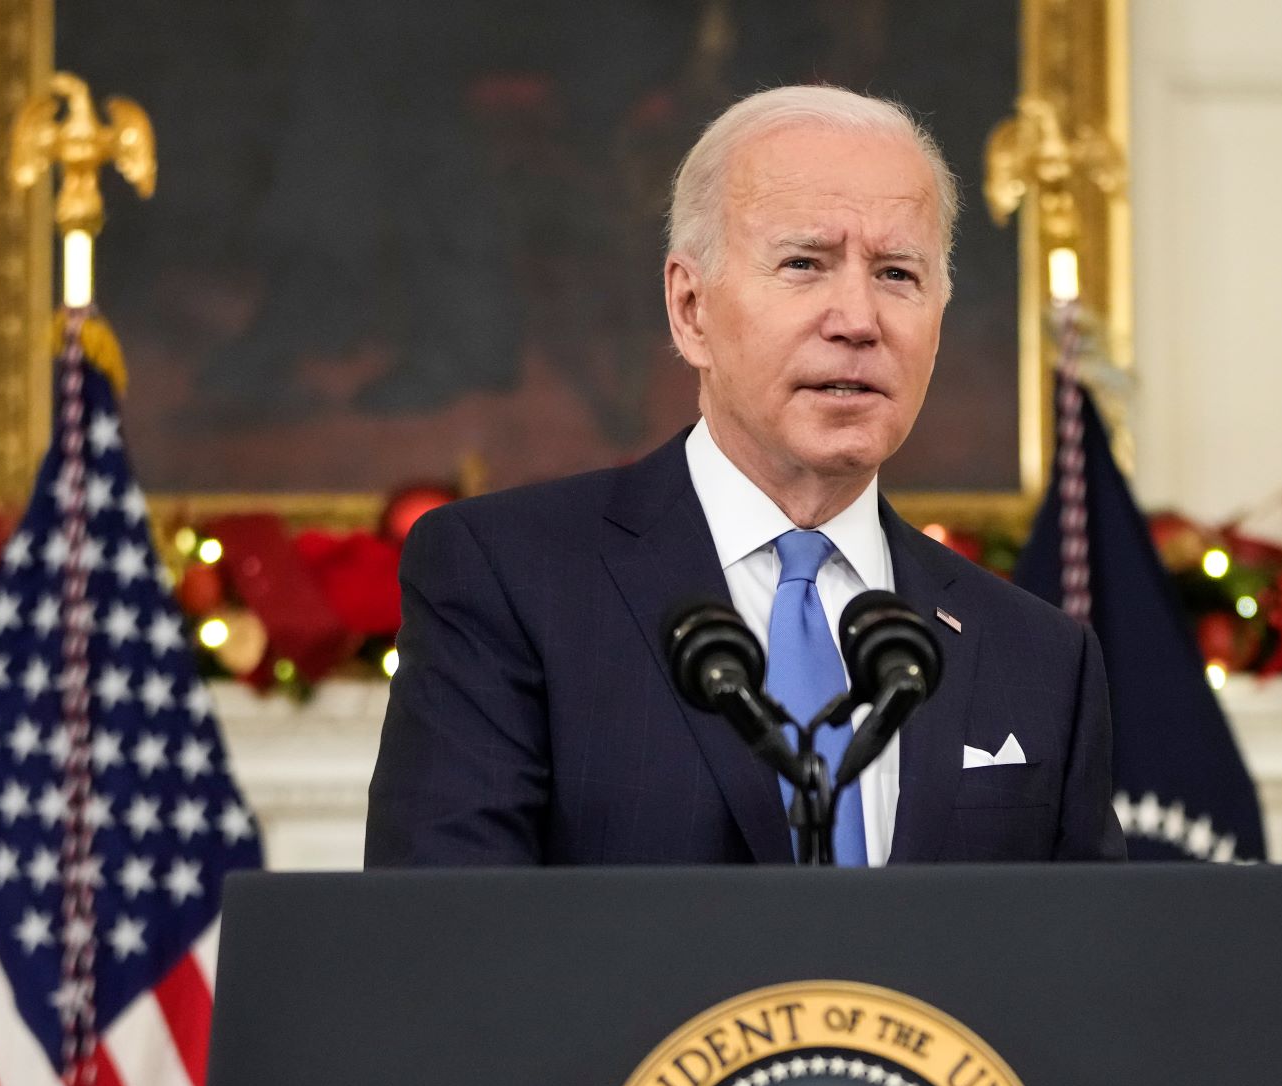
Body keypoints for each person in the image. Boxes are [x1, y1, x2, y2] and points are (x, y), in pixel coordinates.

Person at [366, 84, 1124, 866]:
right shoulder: (510, 580)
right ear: (690, 309)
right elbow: (443, 948)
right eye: (805, 264)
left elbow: (1085, 972)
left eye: (898, 274)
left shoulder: (1039, 658)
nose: (858, 320)